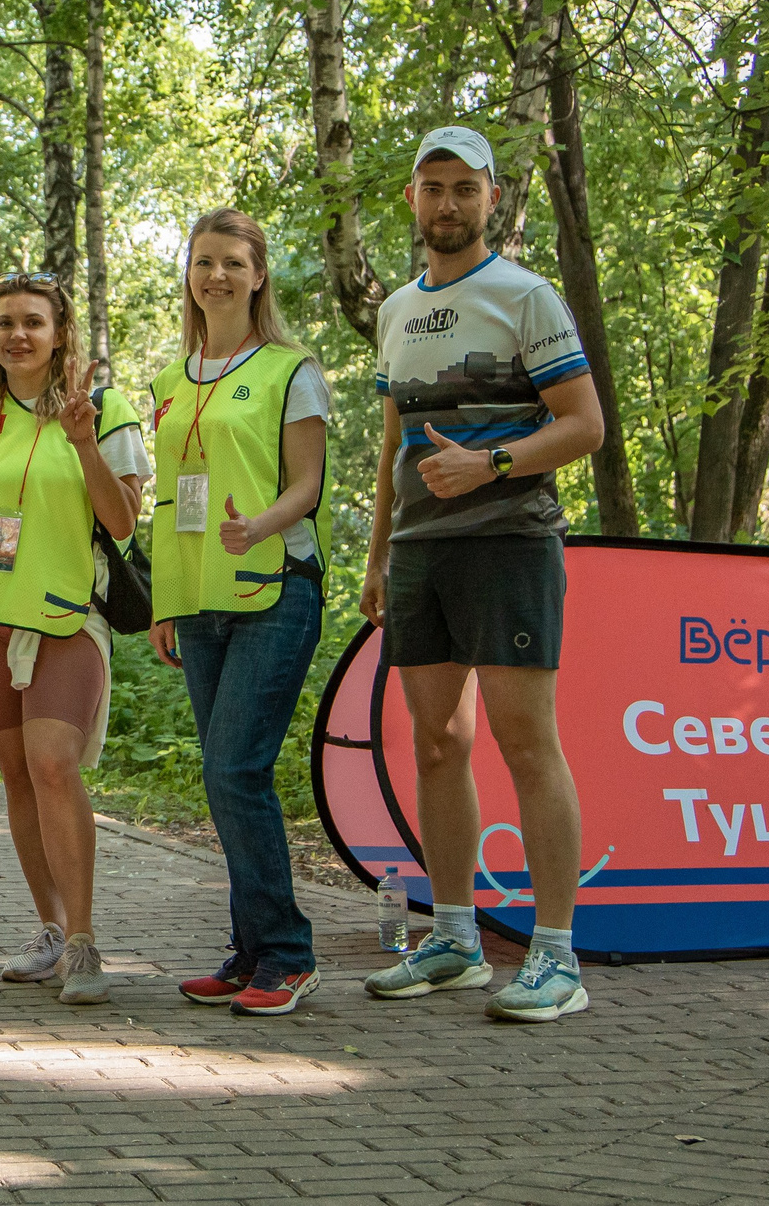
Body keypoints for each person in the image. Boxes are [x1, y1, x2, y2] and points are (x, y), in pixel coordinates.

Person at [359, 126, 606, 1021]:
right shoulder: (394, 309)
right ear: (413, 199)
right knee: (436, 744)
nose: (449, 204)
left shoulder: (526, 296)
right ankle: (455, 939)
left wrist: (492, 467)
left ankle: (556, 956)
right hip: (421, 554)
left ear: (491, 198)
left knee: (525, 741)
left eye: (466, 188)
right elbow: (391, 442)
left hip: (510, 538)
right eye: (434, 187)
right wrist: (379, 554)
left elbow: (584, 425)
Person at [0, 274, 141, 1006]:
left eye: (33, 323)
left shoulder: (103, 410)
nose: (17, 334)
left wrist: (83, 445)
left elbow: (123, 520)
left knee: (53, 764)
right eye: (4, 322)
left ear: (59, 333)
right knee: (16, 775)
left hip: (66, 614)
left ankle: (82, 940)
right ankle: (47, 928)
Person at [147, 208, 333, 1016]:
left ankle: (288, 952)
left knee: (235, 768)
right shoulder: (169, 380)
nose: (216, 274)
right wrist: (163, 598)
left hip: (275, 587)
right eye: (203, 261)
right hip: (198, 598)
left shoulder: (292, 370)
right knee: (224, 778)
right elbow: (165, 501)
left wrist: (260, 523)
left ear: (259, 274)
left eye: (232, 262)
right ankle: (251, 949)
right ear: (188, 274)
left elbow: (308, 485)